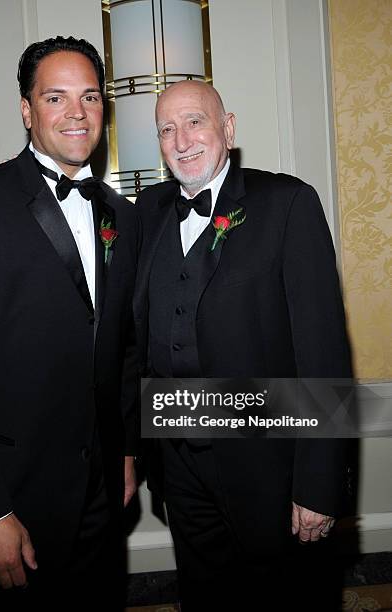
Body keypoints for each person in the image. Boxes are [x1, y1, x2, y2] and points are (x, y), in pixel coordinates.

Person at [0, 36, 138, 611]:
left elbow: (124, 349)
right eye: (56, 97)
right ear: (26, 109)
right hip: (12, 498)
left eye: (89, 97)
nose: (76, 113)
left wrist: (128, 453)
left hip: (102, 497)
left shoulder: (123, 217)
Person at [134, 80, 352, 610]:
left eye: (195, 122)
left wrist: (318, 484)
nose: (181, 139)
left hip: (269, 464)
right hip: (178, 460)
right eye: (167, 129)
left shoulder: (287, 203)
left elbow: (323, 349)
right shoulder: (147, 211)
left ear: (227, 128)